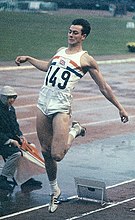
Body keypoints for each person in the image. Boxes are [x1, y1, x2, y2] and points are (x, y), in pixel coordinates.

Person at [15, 18, 128, 212]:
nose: (71, 35)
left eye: (75, 32)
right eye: (69, 31)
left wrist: (120, 107)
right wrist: (29, 59)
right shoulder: (60, 51)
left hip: (61, 106)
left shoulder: (86, 59)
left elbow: (103, 87)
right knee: (45, 151)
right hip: (44, 102)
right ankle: (55, 191)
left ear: (83, 36)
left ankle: (75, 130)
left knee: (57, 154)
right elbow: (48, 67)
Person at [0, 86, 42, 191]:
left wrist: (20, 136)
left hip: (9, 137)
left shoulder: (11, 109)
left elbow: (15, 125)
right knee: (16, 153)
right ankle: (3, 178)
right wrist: (10, 141)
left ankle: (25, 178)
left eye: (14, 97)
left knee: (30, 147)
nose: (12, 100)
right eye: (10, 98)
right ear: (3, 97)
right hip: (2, 140)